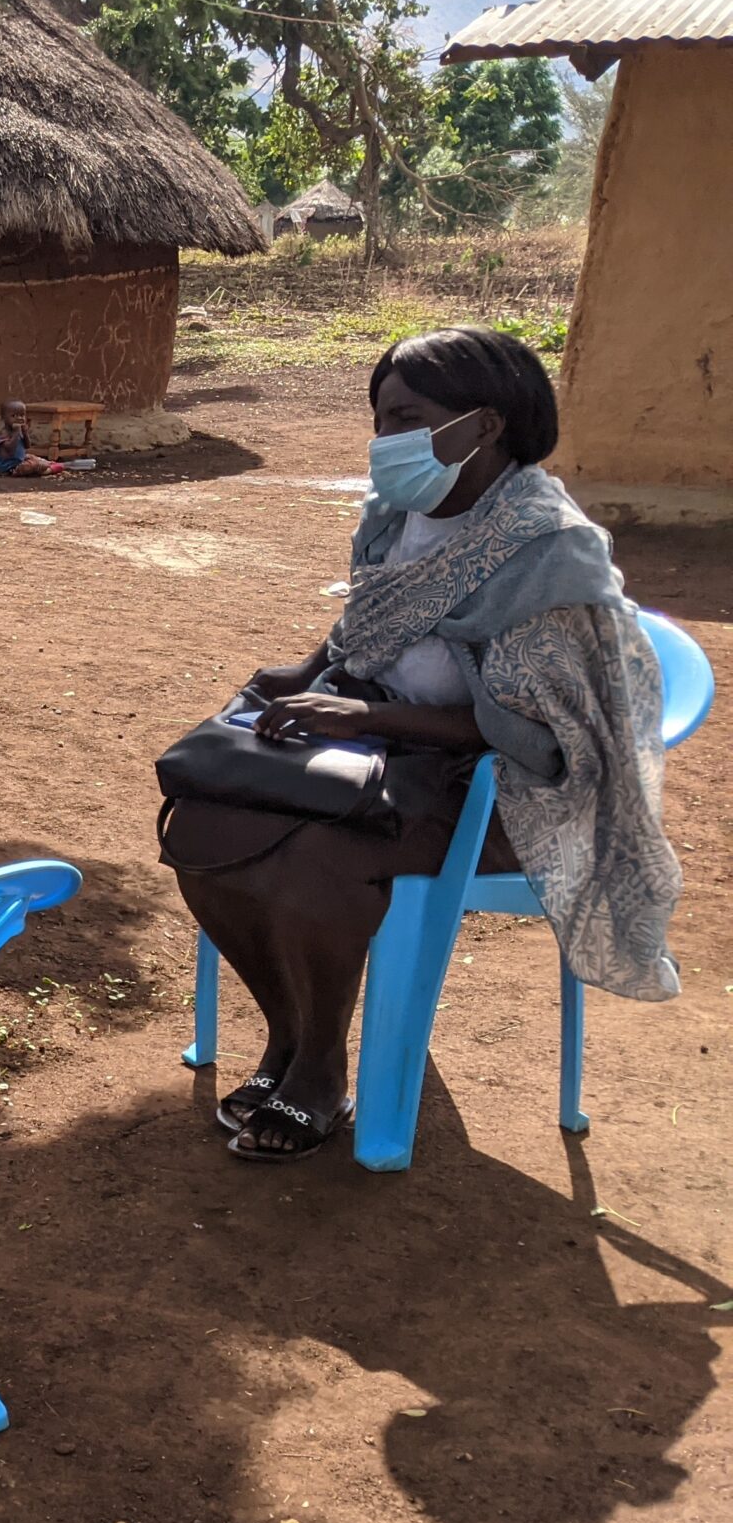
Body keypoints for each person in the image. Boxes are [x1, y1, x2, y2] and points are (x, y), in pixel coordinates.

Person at [161, 327, 681, 1162]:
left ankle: (322, 1071)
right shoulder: (397, 514)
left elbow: (545, 730)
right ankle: (289, 1035)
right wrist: (302, 679)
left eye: (407, 417)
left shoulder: (547, 551)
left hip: (494, 782)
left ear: (484, 426)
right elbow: (361, 632)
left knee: (315, 860)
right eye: (380, 419)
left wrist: (367, 722)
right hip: (379, 745)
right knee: (202, 824)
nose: (385, 442)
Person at [0, 400, 75, 478]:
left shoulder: (18, 431)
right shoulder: (4, 433)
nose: (19, 418)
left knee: (32, 457)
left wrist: (25, 433)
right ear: (3, 418)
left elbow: (27, 446)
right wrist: (16, 433)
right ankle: (48, 470)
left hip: (20, 460)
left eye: (22, 415)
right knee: (29, 466)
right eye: (14, 416)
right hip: (10, 467)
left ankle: (49, 464)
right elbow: (10, 451)